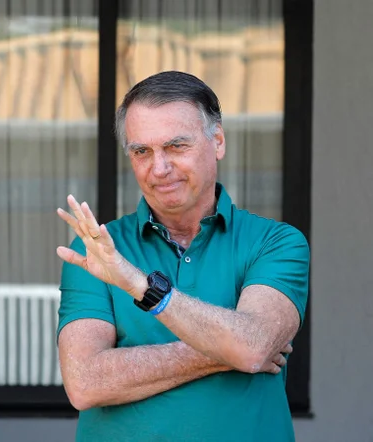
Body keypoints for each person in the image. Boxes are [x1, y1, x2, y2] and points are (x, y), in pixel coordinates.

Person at [55, 71, 310, 442]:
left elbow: (253, 347)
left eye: (176, 146)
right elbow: (84, 383)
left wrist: (137, 283)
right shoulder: (96, 249)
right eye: (141, 152)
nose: (159, 169)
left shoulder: (275, 242)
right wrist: (226, 350)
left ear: (217, 141)